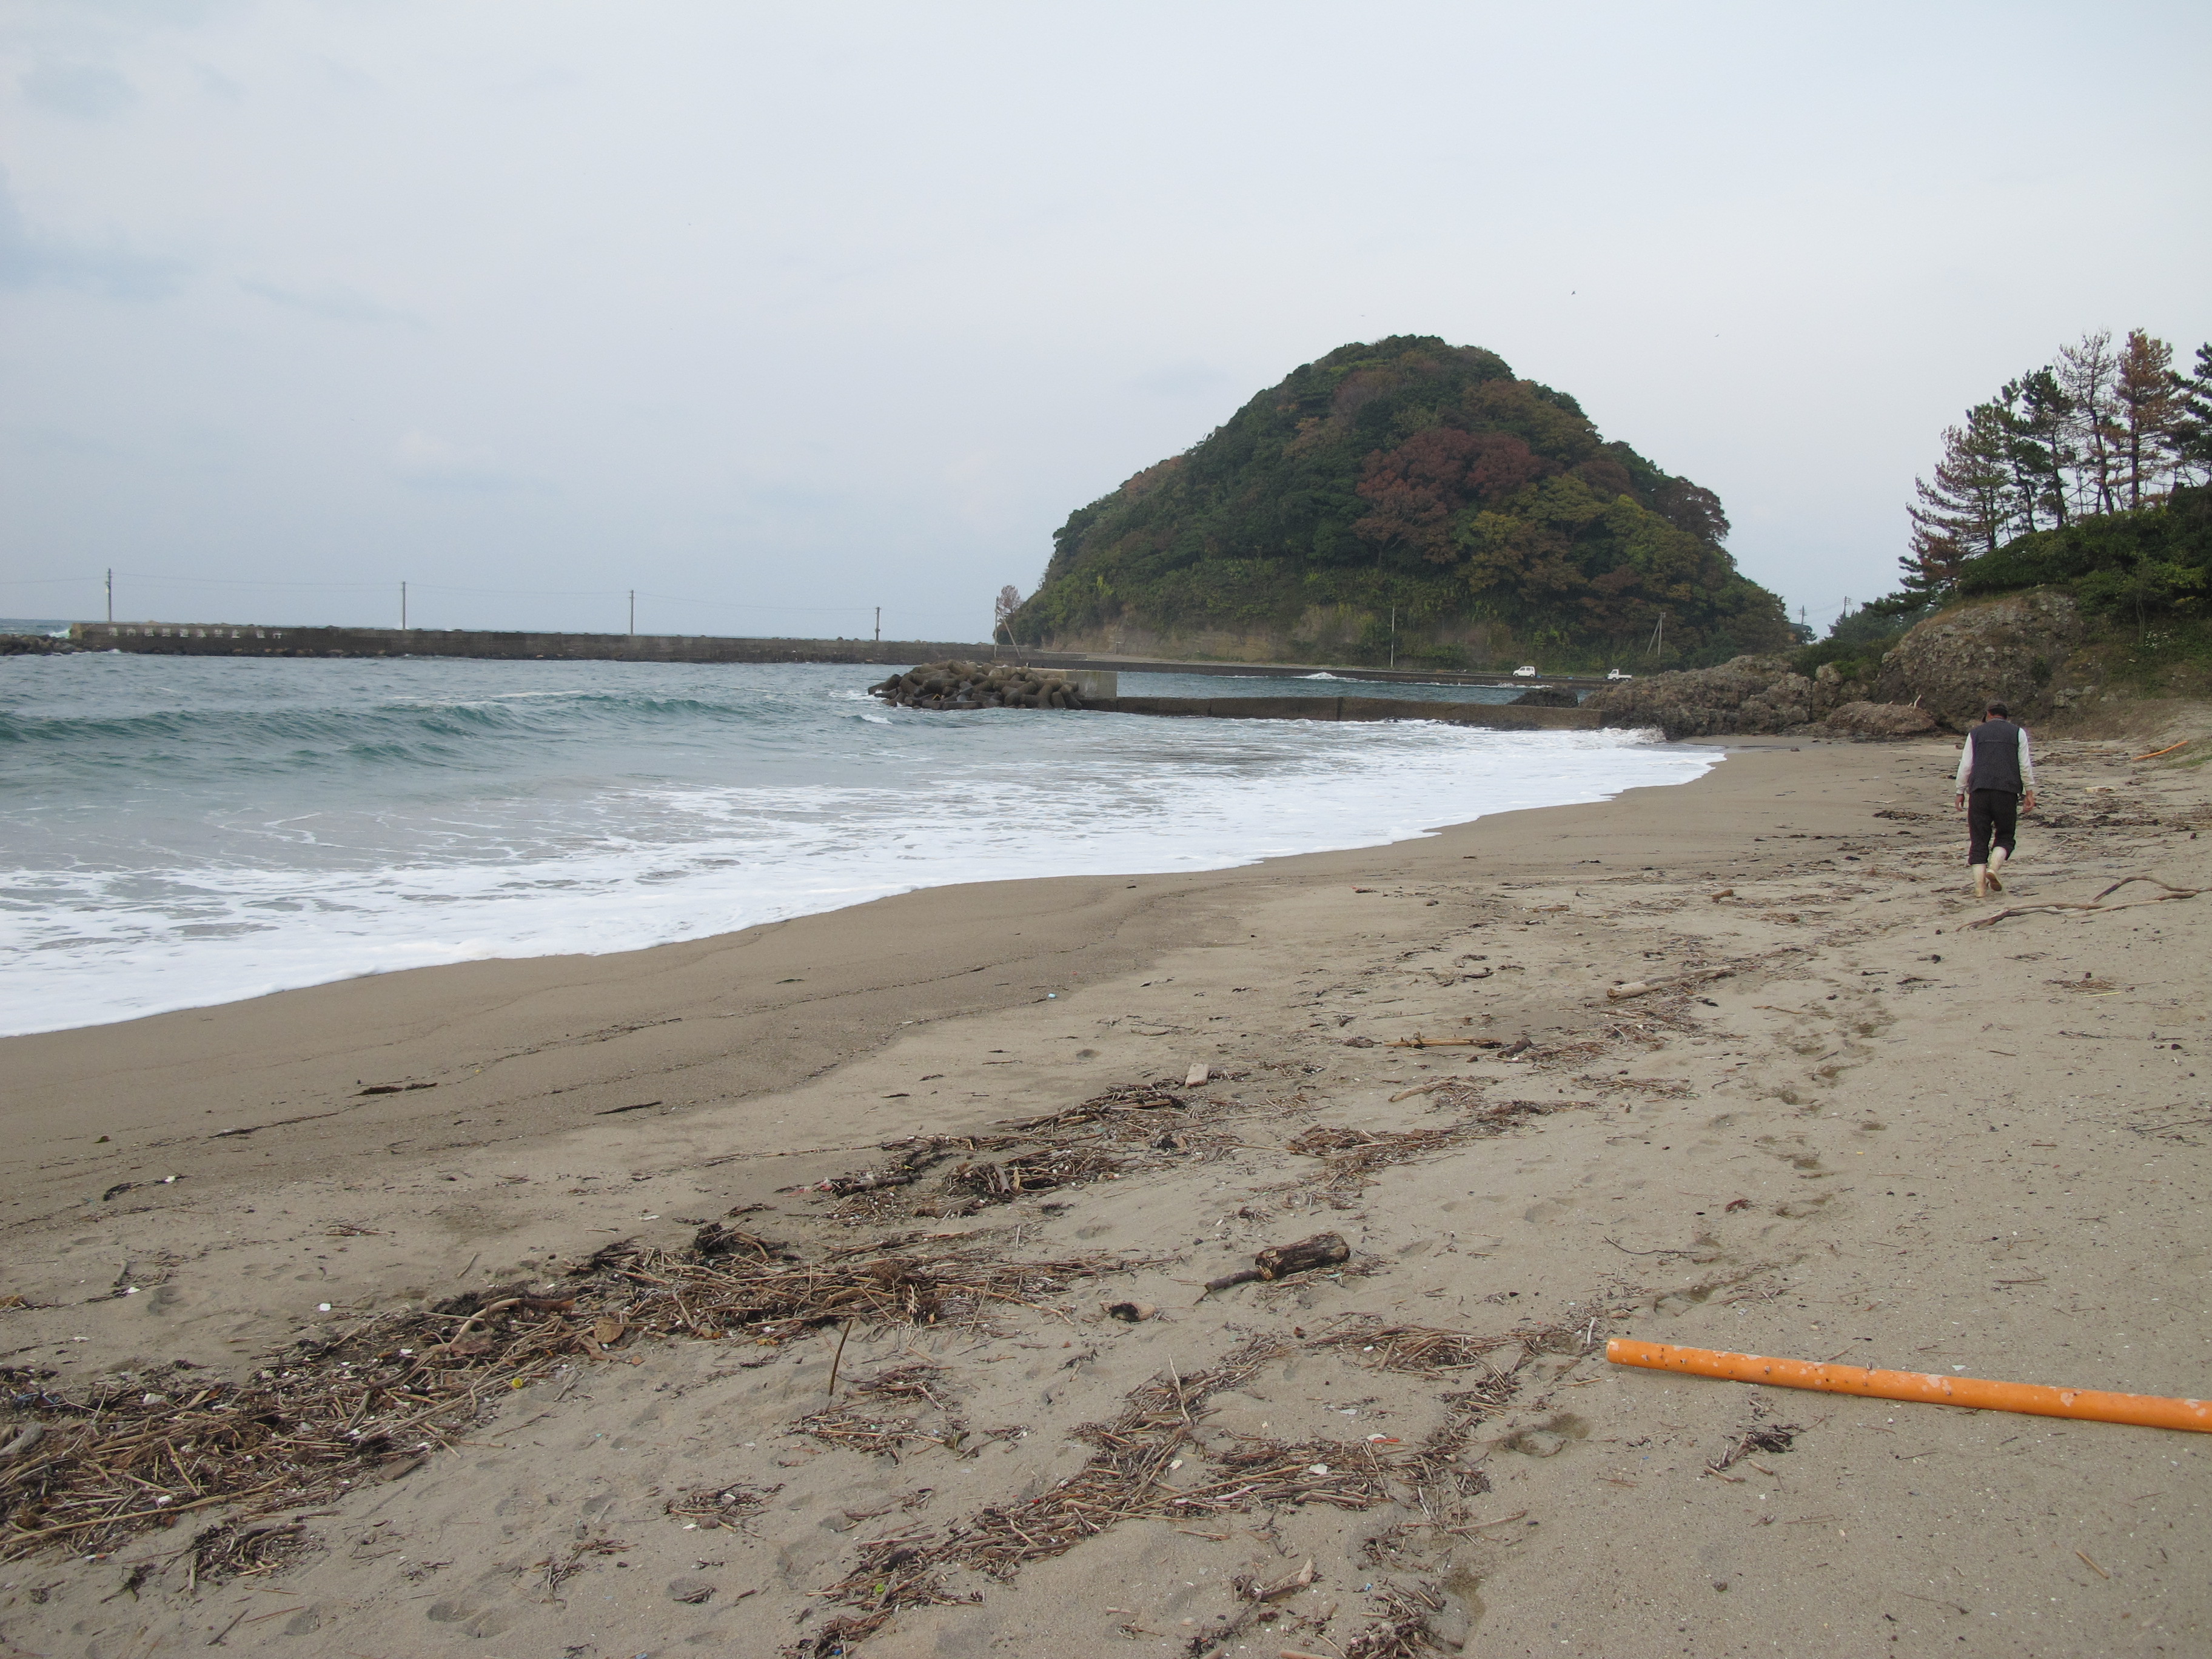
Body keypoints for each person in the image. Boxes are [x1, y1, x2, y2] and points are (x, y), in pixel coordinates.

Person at [1953, 700, 2036, 899]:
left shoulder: (1975, 734)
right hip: (2006, 792)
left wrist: (1960, 791)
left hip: (1980, 791)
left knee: (1979, 840)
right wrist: (2029, 792)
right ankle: (1994, 869)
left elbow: (1966, 765)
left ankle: (1980, 889)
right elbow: (2024, 765)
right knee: (2006, 836)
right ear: (2006, 716)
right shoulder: (2018, 733)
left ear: (1988, 714)